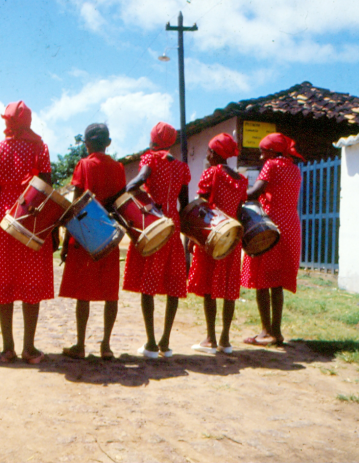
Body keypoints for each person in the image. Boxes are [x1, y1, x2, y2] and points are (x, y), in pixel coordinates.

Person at [0, 101, 53, 364]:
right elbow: (46, 186)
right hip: (30, 214)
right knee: (31, 281)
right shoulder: (39, 148)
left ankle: (7, 347)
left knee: (4, 281)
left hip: (3, 218)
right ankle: (29, 348)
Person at [123, 122, 191, 358]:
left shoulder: (150, 160)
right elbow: (185, 202)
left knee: (148, 283)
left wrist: (140, 197)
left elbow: (135, 184)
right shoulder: (182, 167)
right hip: (173, 225)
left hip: (155, 223)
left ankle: (151, 342)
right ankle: (165, 341)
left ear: (153, 139)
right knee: (173, 282)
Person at [59, 123, 125, 360]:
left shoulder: (84, 165)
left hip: (85, 233)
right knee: (111, 293)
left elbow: (75, 205)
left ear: (86, 144)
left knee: (82, 293)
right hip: (108, 233)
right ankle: (106, 346)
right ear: (108, 143)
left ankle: (80, 344)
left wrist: (67, 242)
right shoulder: (118, 168)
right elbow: (120, 202)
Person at [187, 133, 248, 354]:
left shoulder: (211, 174)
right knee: (229, 288)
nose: (207, 155)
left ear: (214, 154)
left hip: (211, 237)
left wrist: (191, 238)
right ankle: (225, 340)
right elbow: (239, 211)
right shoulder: (241, 180)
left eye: (209, 152)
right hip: (232, 237)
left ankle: (210, 339)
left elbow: (199, 208)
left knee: (208, 288)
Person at [241, 133, 303, 347]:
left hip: (270, 227)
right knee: (276, 281)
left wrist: (236, 192)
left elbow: (256, 191)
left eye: (263, 151)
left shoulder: (272, 165)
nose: (260, 156)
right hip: (291, 225)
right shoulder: (294, 168)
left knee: (261, 279)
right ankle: (276, 331)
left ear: (272, 151)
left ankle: (266, 332)